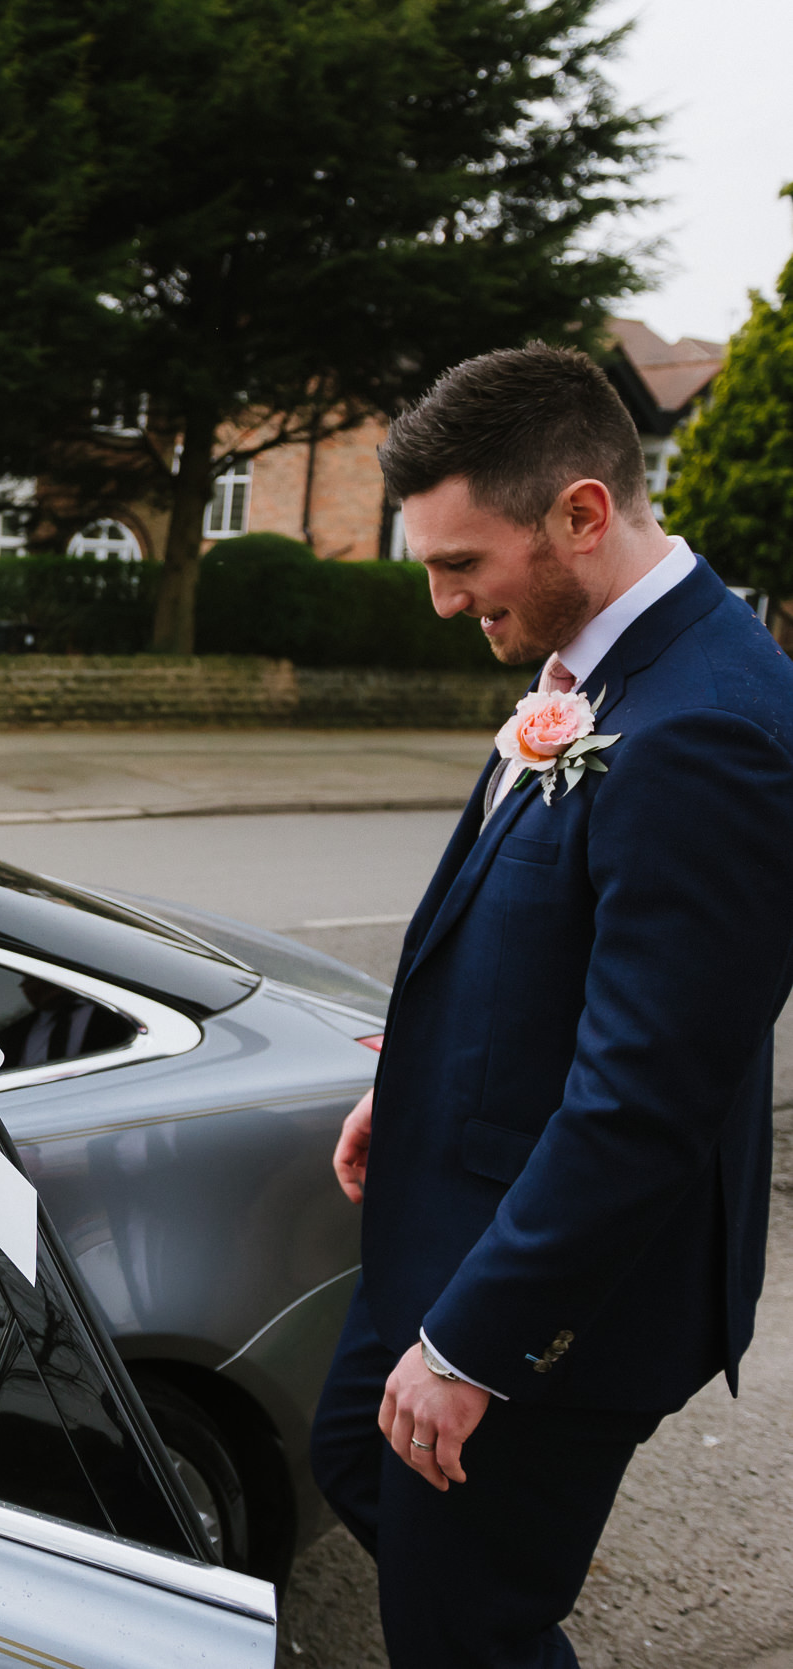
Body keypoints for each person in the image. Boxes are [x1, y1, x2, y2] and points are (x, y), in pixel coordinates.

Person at [310, 344, 793, 1667]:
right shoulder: (596, 663)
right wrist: (400, 1089)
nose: (437, 599)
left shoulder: (710, 728)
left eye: (462, 564)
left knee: (465, 1623)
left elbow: (647, 1097)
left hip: (563, 1297)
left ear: (583, 513)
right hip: (456, 1196)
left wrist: (472, 1349)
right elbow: (521, 940)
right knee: (355, 1454)